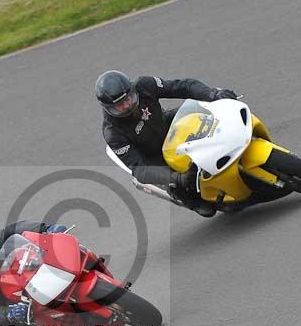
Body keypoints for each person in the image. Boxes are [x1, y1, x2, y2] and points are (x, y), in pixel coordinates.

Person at [96, 70, 238, 217]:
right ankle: (186, 198)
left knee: (203, 108)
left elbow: (183, 86)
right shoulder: (113, 132)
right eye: (120, 105)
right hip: (154, 156)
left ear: (132, 89)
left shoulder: (144, 85)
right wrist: (175, 178)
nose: (127, 105)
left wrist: (212, 95)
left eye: (129, 98)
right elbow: (140, 169)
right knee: (204, 206)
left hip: (167, 125)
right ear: (108, 108)